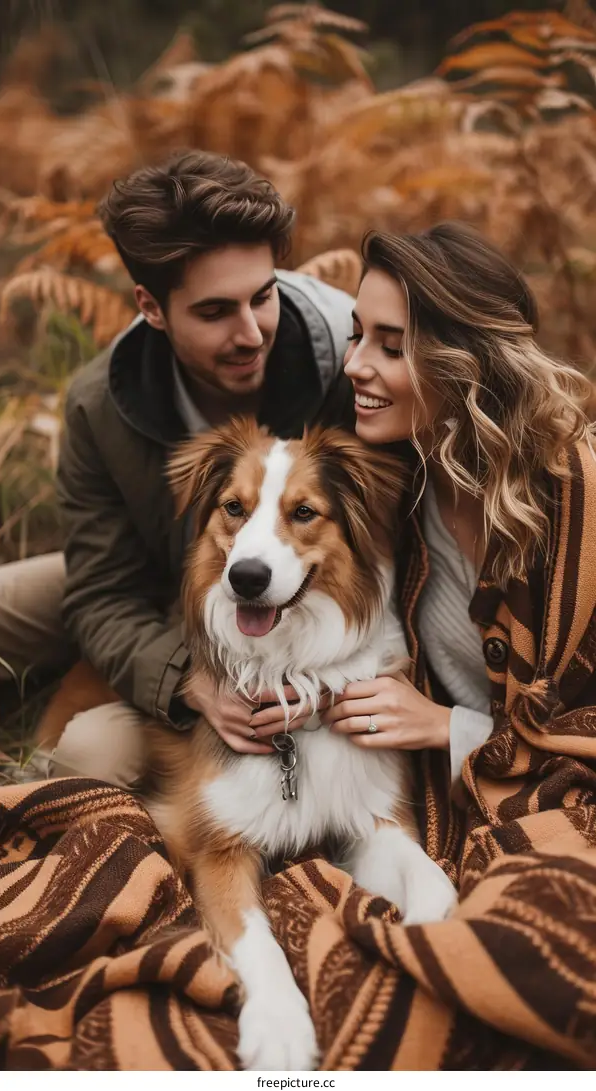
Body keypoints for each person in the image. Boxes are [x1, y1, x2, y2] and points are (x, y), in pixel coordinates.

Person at [255, 220, 596, 1064]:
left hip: (548, 791)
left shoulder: (575, 495)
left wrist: (447, 726)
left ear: (463, 362)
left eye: (391, 345)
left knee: (537, 924)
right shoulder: (396, 482)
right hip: (437, 800)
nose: (358, 366)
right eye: (357, 336)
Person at [0, 150, 355, 785]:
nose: (250, 333)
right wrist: (188, 679)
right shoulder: (100, 404)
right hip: (158, 581)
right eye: (215, 312)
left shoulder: (352, 364)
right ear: (151, 307)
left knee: (89, 757)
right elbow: (100, 591)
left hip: (291, 603)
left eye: (263, 297)